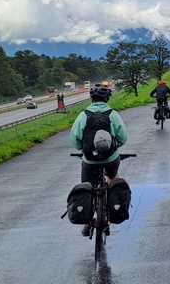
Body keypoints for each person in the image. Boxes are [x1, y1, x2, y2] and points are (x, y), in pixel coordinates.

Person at [70, 83, 128, 236]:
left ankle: (89, 223)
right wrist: (116, 147)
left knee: (88, 185)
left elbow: (75, 138)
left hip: (89, 160)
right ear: (107, 98)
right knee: (113, 177)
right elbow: (122, 137)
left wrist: (81, 149)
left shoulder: (83, 115)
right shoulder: (113, 114)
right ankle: (110, 211)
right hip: (110, 158)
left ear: (91, 99)